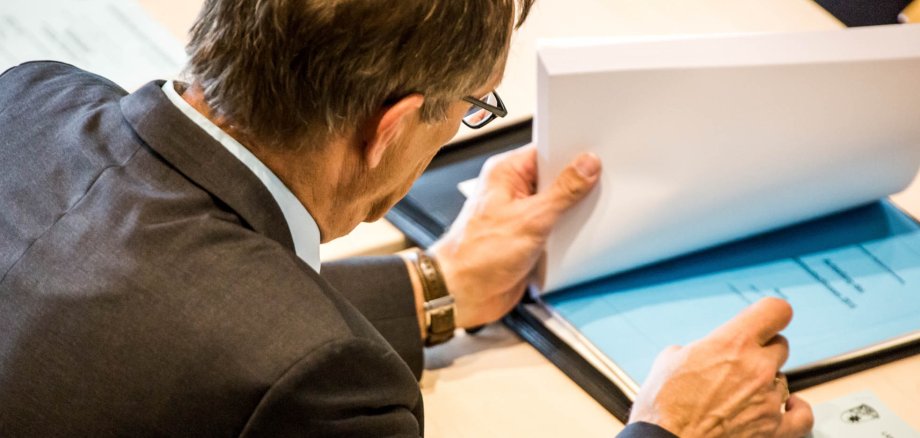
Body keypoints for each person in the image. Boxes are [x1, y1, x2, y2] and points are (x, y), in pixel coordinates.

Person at [0, 0, 813, 436]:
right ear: (389, 126)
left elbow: (134, 299)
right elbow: (264, 360)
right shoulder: (326, 385)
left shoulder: (28, 97)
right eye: (469, 107)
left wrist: (437, 283)